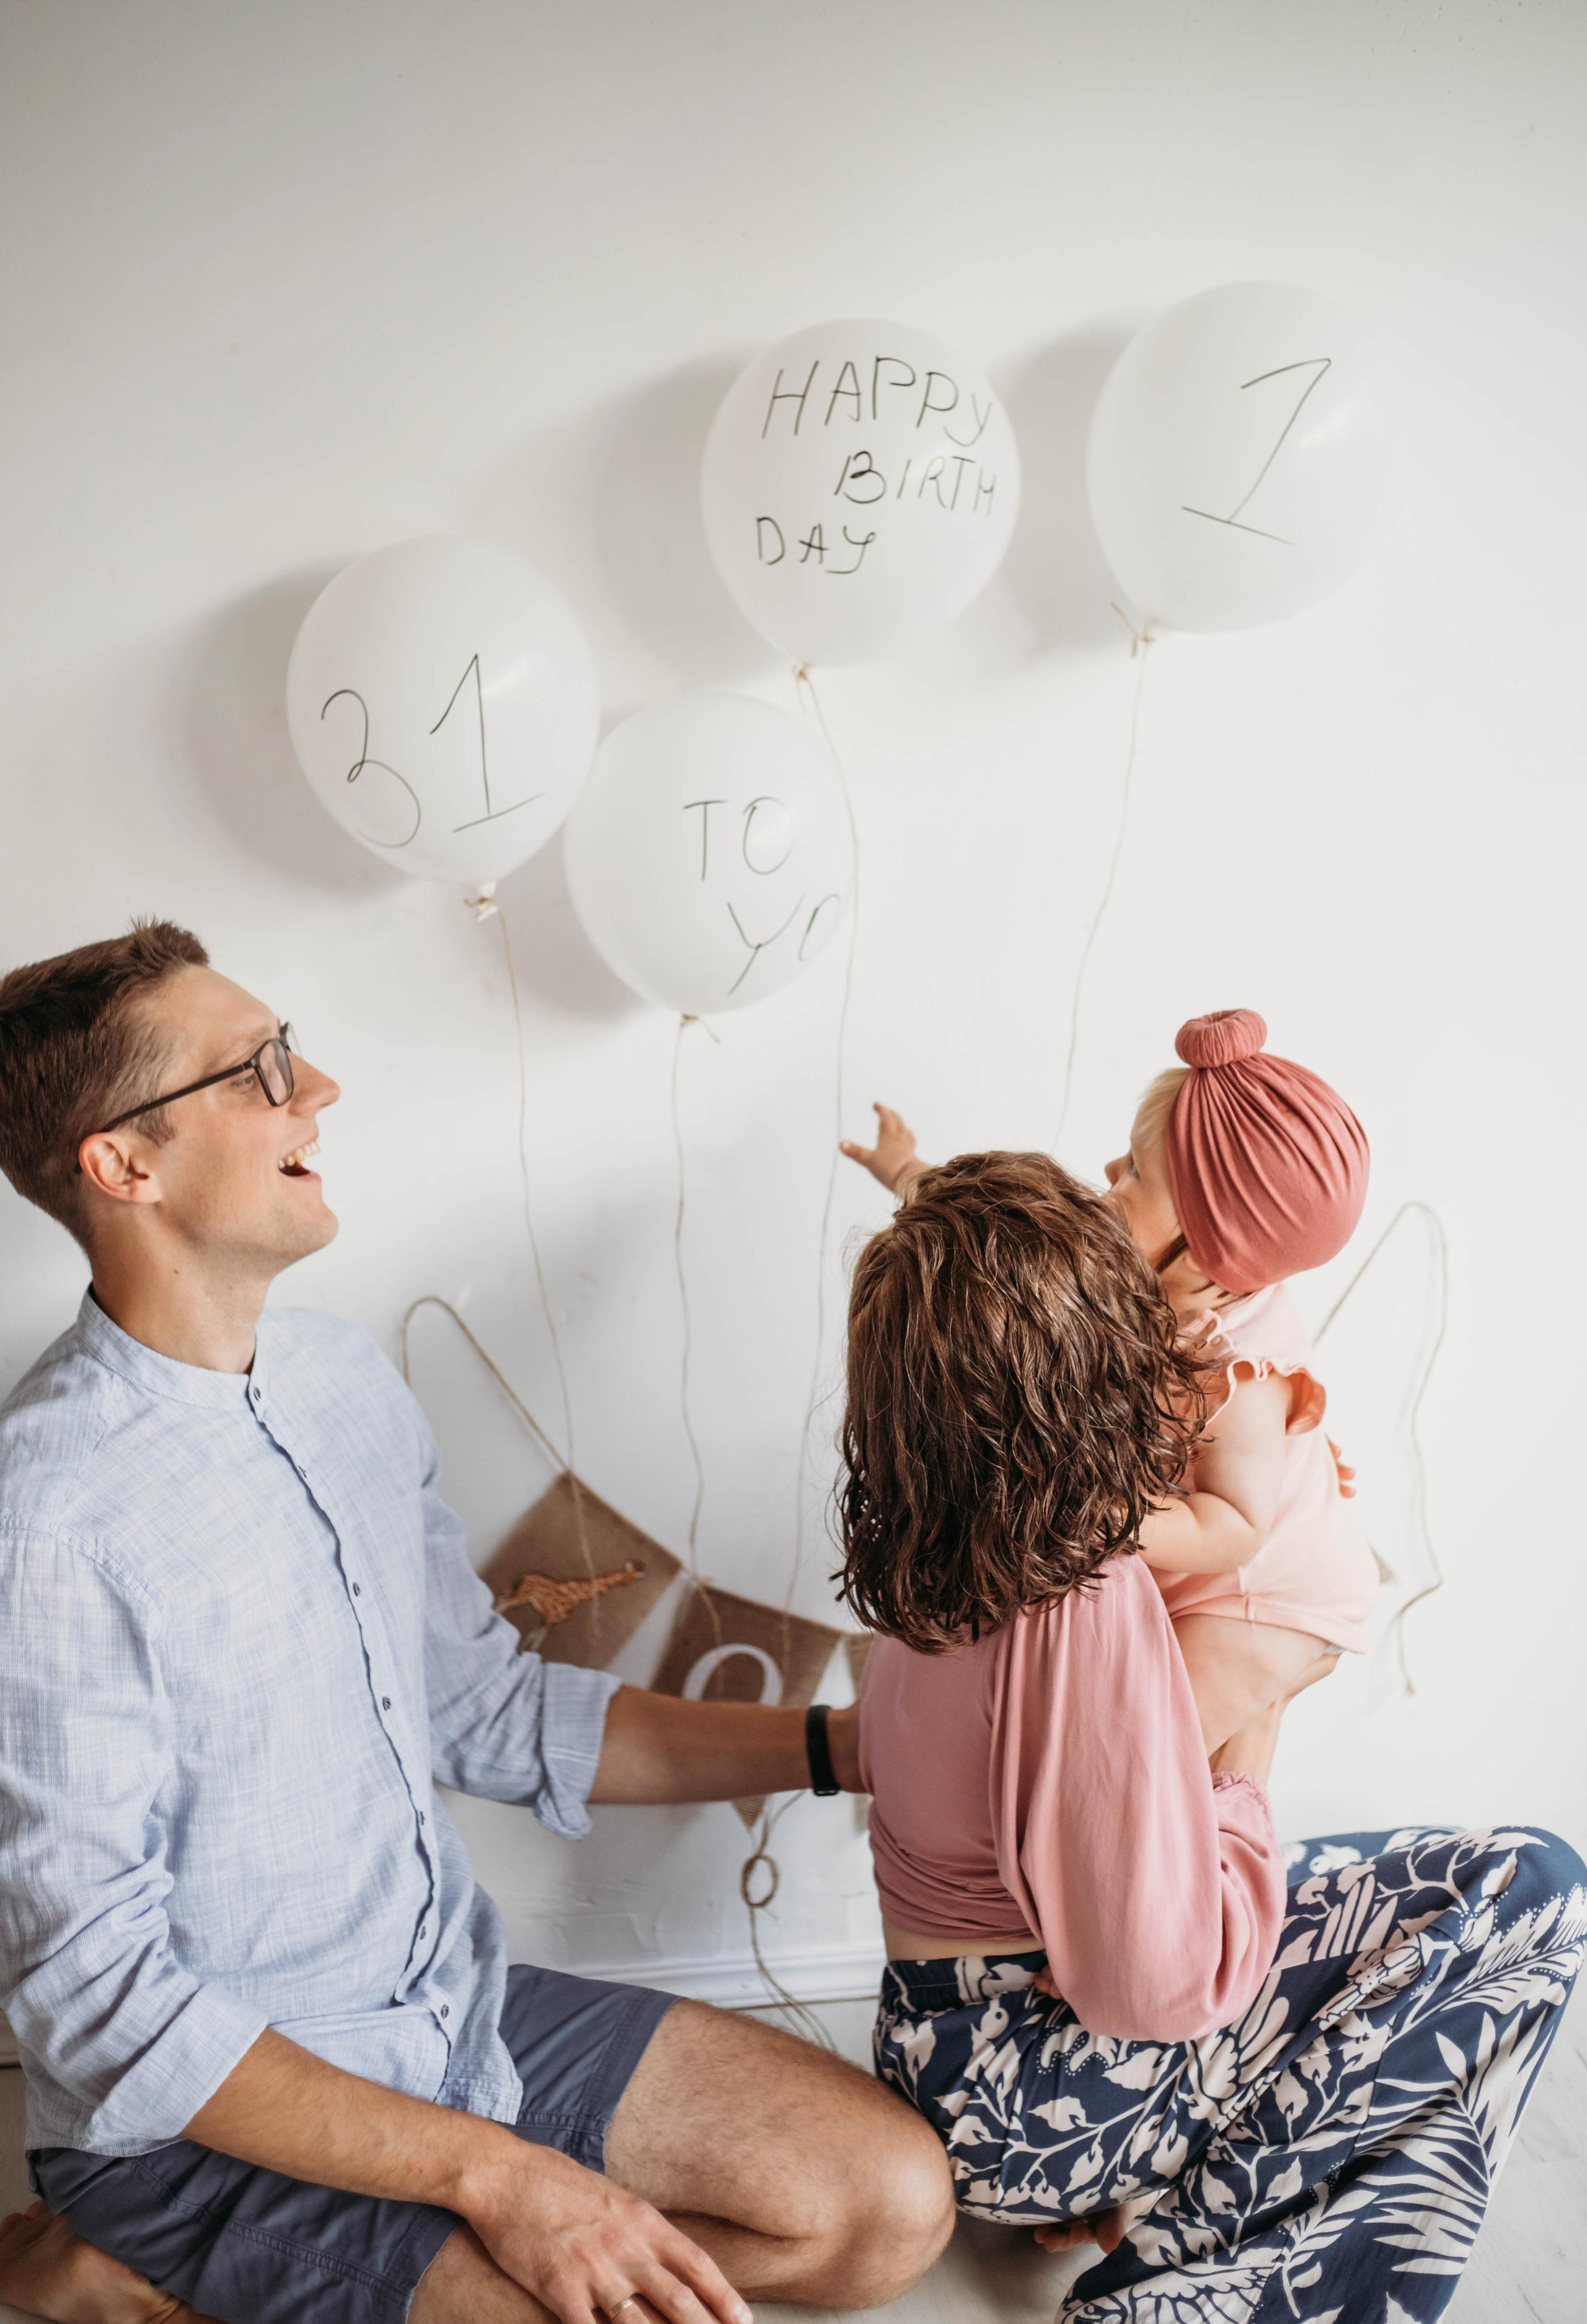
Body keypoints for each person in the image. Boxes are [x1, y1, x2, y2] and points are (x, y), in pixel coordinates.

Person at [0, 922, 955, 2324]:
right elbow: (101, 1999)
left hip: (449, 2009)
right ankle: (123, 2254)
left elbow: (489, 1711)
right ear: (122, 1164)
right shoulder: (49, 1514)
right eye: (256, 1068)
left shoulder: (337, 1379)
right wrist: (503, 2180)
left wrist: (847, 1744)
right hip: (208, 2134)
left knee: (887, 2207)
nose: (314, 1084)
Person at [841, 1150, 1585, 2320]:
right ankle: (1196, 2296)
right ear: (1071, 1376)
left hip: (939, 2054)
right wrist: (1252, 1749)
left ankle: (1196, 2209)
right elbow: (1165, 1991)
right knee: (1529, 1885)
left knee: (1355, 1916)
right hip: (1025, 2094)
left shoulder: (934, 1556)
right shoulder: (1081, 1596)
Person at [842, 1007, 1377, 1753]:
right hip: (1189, 1585)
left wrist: (1087, 1517)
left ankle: (1220, 1861)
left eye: (1134, 1170)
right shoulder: (1130, 1260)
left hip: (1260, 1604)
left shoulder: (1241, 1372)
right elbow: (995, 1241)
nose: (1110, 1174)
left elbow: (1233, 1528)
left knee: (1136, 1759)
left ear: (1206, 1243)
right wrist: (905, 1172)